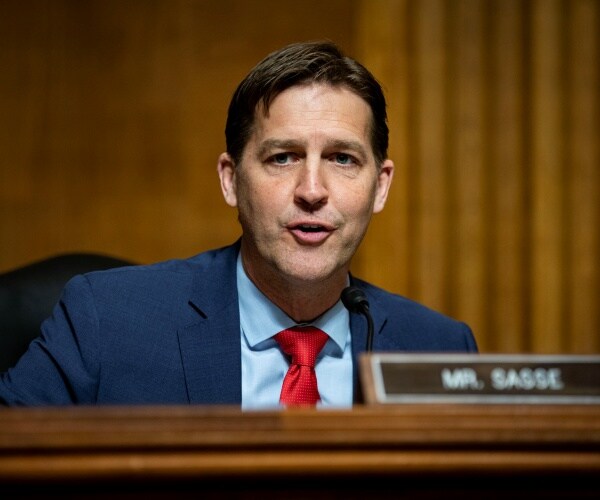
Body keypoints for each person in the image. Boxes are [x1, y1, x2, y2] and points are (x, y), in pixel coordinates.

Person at [0, 41, 477, 408]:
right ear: (231, 180)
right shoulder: (107, 321)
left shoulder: (439, 350)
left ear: (380, 186)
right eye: (282, 157)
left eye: (342, 158)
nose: (312, 190)